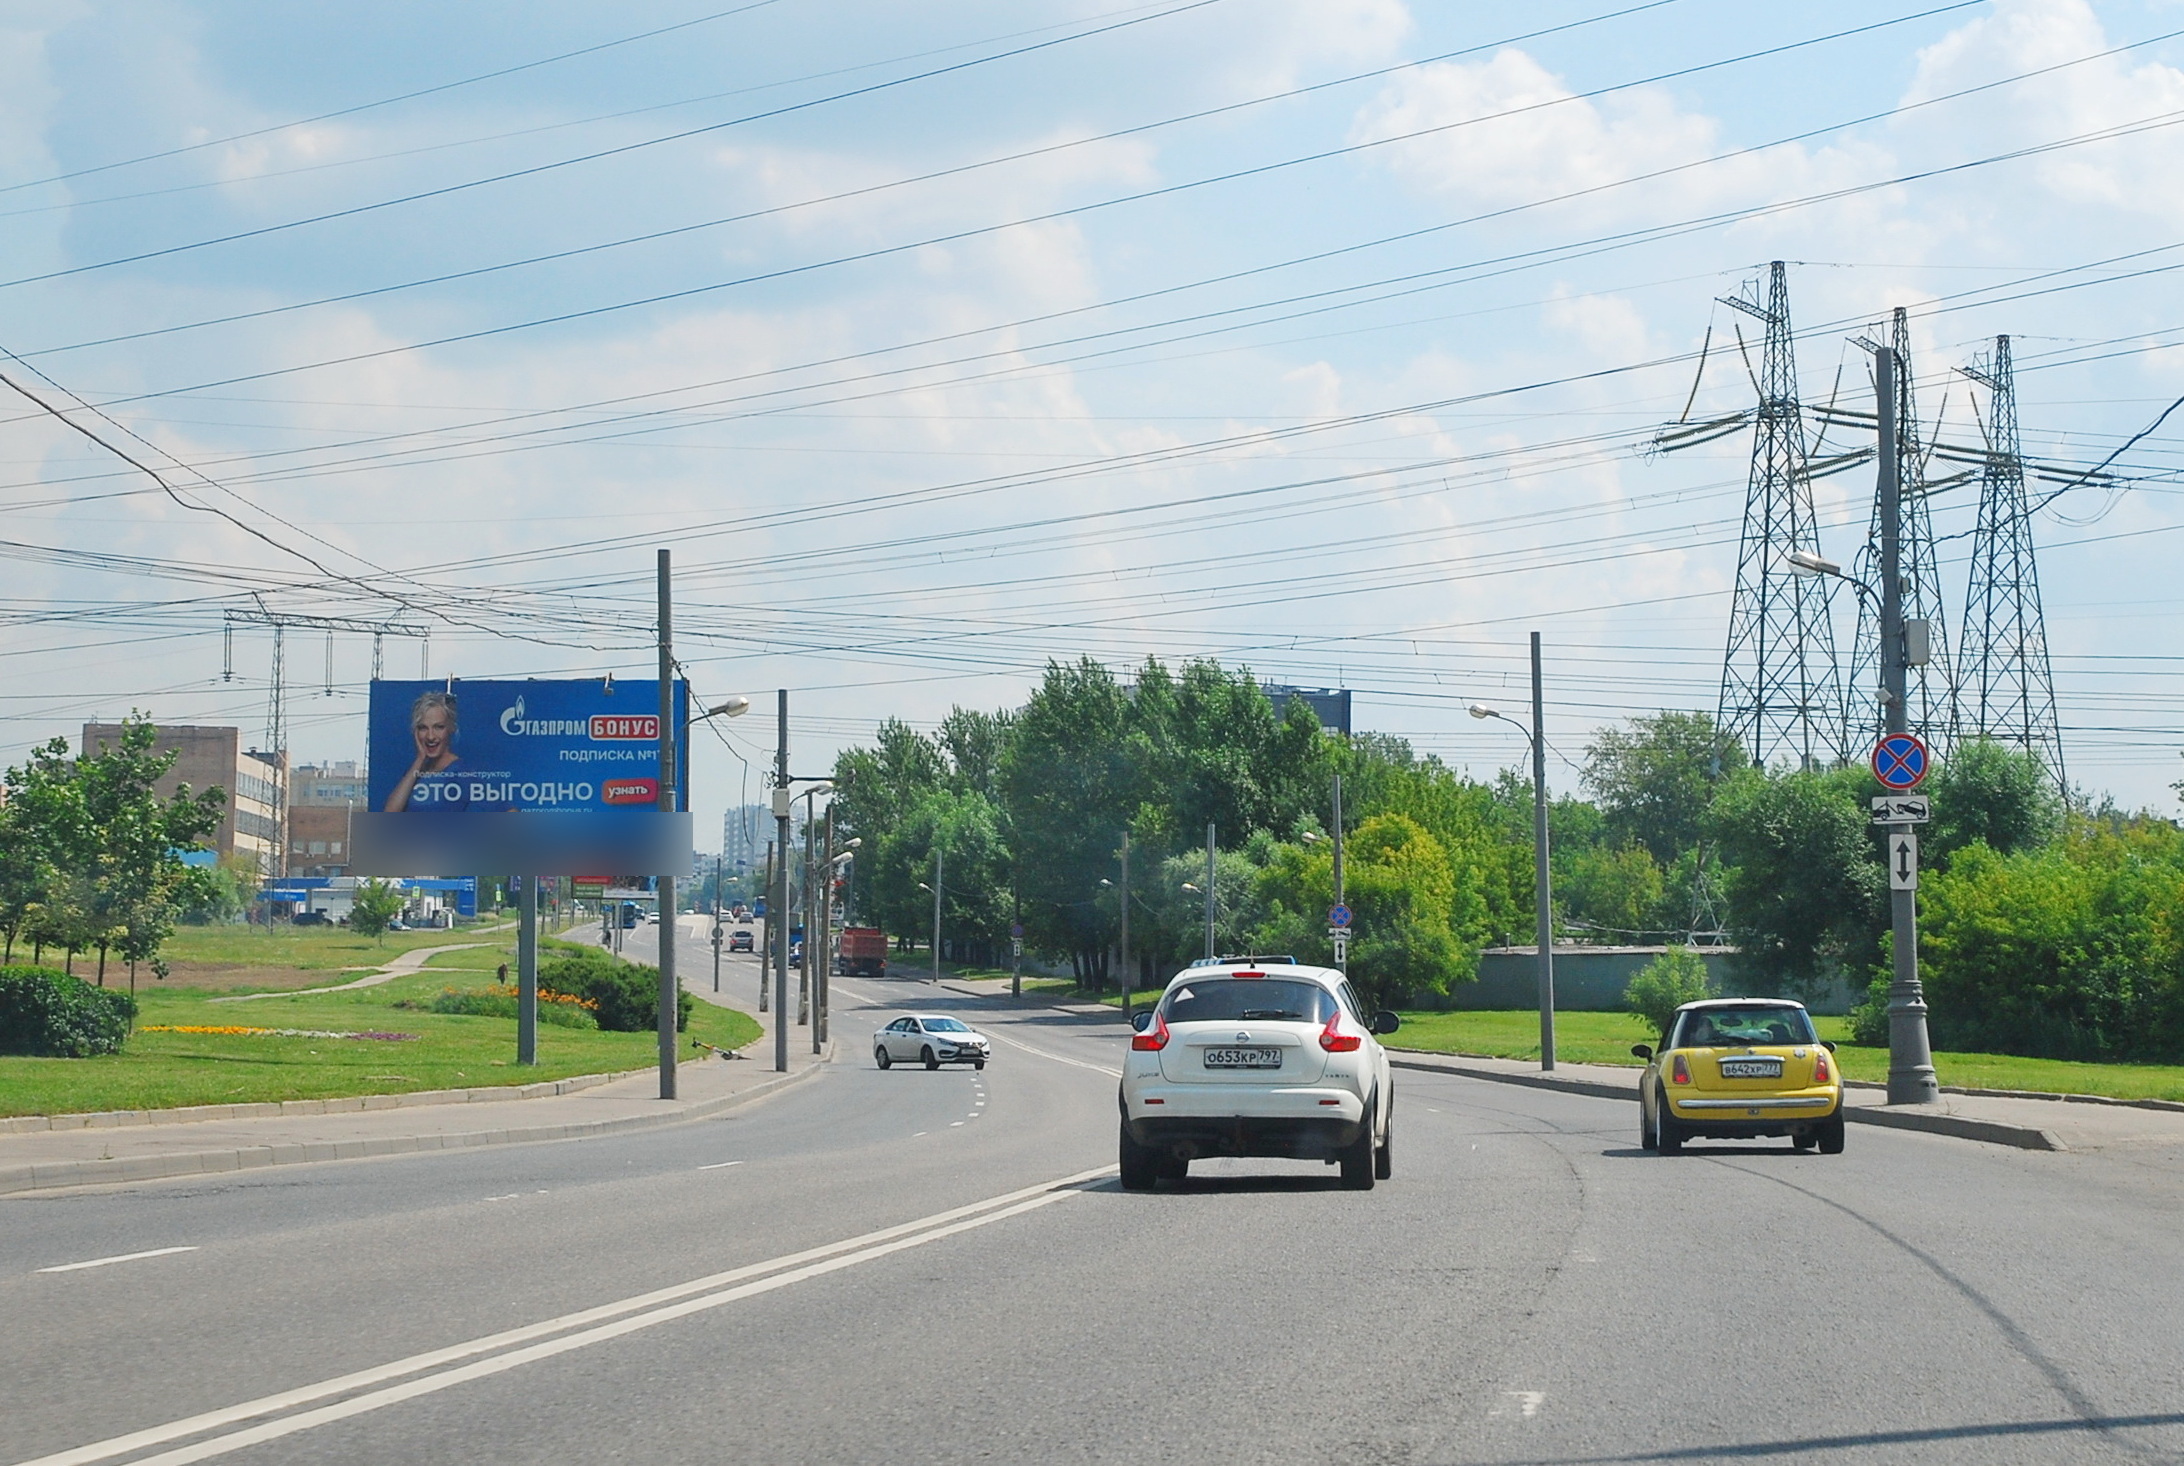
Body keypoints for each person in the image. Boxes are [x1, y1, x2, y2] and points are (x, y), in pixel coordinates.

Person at [384, 692, 460, 812]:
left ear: (451, 728)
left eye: (438, 727)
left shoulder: (463, 773)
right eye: (423, 728)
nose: (430, 736)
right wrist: (420, 759)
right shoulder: (415, 772)